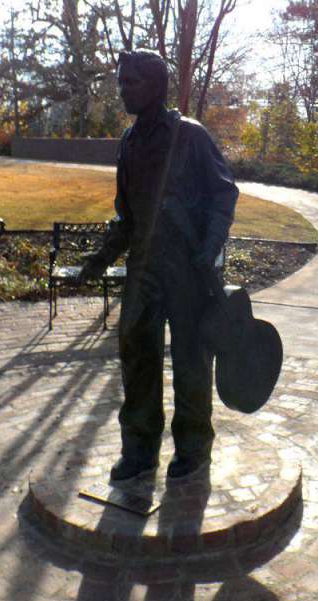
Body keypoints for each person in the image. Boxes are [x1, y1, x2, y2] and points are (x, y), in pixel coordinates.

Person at [78, 49, 238, 482]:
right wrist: (98, 259)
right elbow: (126, 215)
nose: (123, 89)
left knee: (190, 360)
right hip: (144, 270)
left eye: (132, 82)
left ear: (156, 85)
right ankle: (140, 450)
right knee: (137, 358)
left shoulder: (192, 135)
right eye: (121, 81)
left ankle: (193, 448)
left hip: (187, 270)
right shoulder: (129, 144)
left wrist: (211, 245)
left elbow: (224, 194)